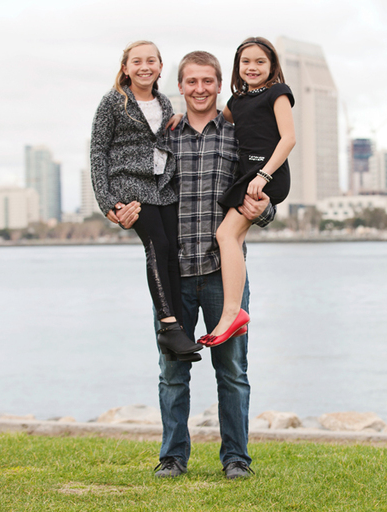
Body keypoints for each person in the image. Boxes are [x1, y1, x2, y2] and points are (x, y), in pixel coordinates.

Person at [116, 50, 275, 480]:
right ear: (181, 86)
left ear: (219, 85)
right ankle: (173, 457)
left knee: (233, 373)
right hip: (173, 276)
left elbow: (265, 201)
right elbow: (140, 193)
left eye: (208, 81)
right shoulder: (163, 137)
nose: (200, 89)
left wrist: (262, 209)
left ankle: (236, 459)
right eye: (192, 82)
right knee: (172, 374)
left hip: (225, 277)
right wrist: (119, 209)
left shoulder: (239, 135)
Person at [90, 40, 202, 361]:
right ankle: (168, 327)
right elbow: (98, 151)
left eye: (151, 61)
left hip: (162, 187)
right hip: (130, 187)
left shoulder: (165, 103)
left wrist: (179, 121)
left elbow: (165, 139)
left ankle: (178, 330)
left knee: (173, 253)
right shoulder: (113, 102)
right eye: (136, 61)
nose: (144, 67)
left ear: (160, 67)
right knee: (158, 247)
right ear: (125, 68)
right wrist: (107, 201)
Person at [196, 37, 296, 348]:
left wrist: (265, 175)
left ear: (272, 66)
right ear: (238, 67)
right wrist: (179, 119)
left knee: (225, 235)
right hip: (246, 177)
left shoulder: (278, 93)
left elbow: (289, 138)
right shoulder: (236, 102)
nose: (252, 67)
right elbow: (214, 123)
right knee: (233, 239)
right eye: (246, 62)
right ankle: (235, 318)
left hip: (268, 176)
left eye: (260, 62)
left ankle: (231, 314)